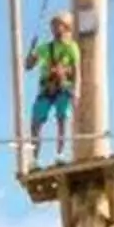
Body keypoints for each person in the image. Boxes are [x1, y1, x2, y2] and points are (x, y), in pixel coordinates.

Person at [25, 9, 80, 160]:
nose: (54, 28)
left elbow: (77, 71)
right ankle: (34, 158)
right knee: (36, 122)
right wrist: (31, 51)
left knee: (62, 119)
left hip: (63, 87)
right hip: (46, 88)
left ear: (66, 27)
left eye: (58, 25)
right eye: (53, 25)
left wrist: (76, 92)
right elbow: (28, 66)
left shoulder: (71, 47)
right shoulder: (44, 48)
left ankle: (60, 154)